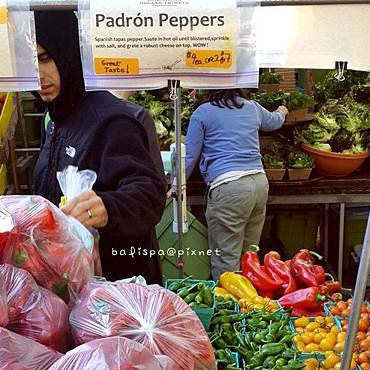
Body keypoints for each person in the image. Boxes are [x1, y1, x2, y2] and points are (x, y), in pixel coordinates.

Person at [33, 11, 167, 284]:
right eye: (30, 62)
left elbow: (149, 194)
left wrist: (106, 207)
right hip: (72, 280)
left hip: (120, 285)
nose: (38, 74)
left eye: (45, 58)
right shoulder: (56, 120)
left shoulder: (110, 119)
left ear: (68, 53)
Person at [184, 89, 288, 281]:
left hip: (229, 187)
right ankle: (250, 307)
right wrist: (282, 111)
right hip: (258, 183)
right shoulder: (252, 108)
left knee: (226, 260)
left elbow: (189, 155)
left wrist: (175, 183)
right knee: (250, 257)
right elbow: (274, 121)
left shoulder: (203, 112)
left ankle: (230, 308)